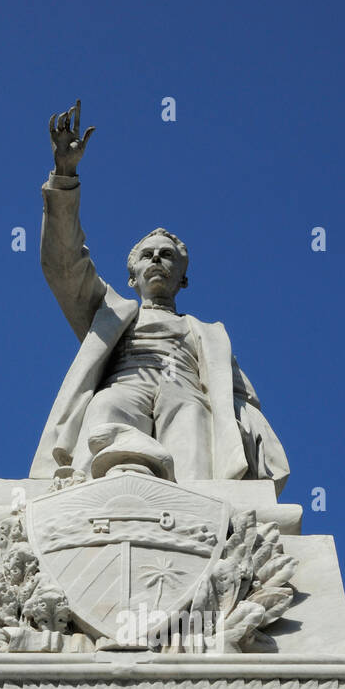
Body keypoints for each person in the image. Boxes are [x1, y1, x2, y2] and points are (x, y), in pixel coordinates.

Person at [30, 101, 290, 491]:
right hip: (124, 386)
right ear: (131, 276)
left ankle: (200, 517)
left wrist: (250, 422)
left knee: (192, 421)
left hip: (185, 391)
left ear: (182, 279)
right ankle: (80, 500)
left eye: (167, 256)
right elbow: (63, 263)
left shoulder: (206, 332)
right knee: (105, 409)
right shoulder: (111, 311)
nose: (156, 259)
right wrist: (65, 177)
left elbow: (238, 394)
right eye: (147, 255)